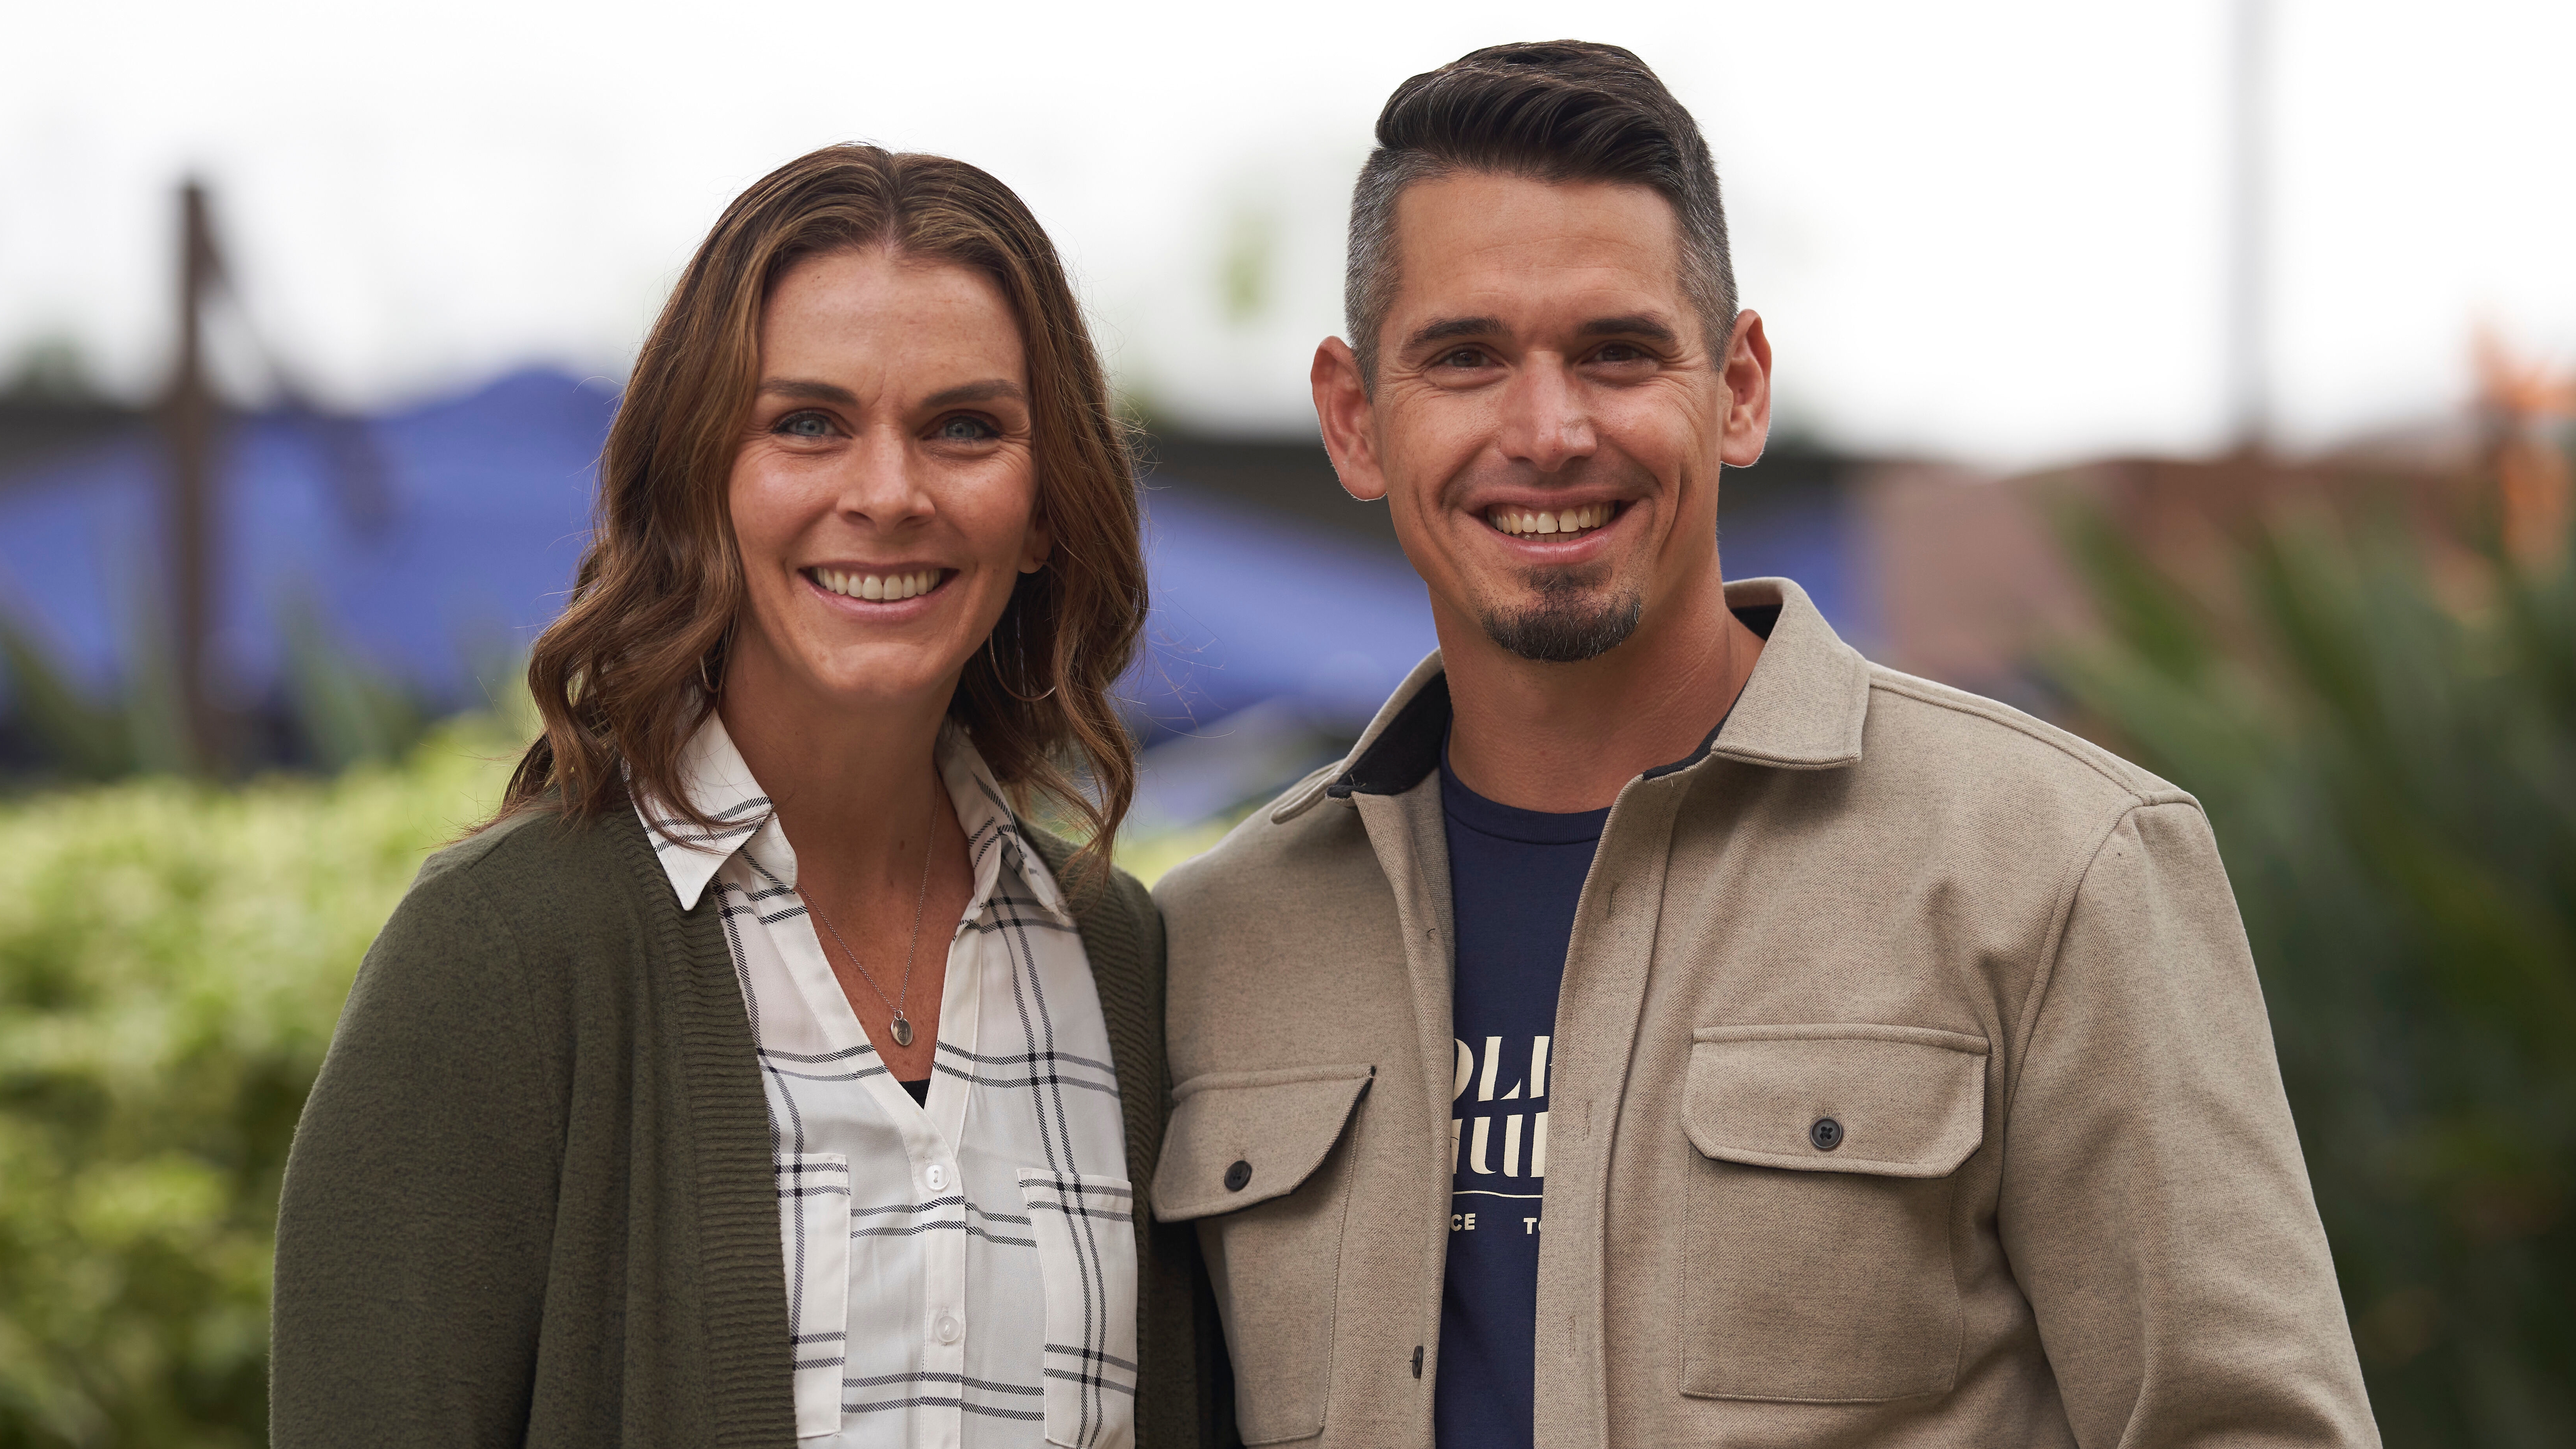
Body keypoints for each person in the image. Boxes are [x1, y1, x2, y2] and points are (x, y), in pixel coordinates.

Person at [1151, 40, 2379, 1449]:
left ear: (1736, 387)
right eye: (1467, 357)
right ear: (1355, 418)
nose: (1548, 432)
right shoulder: (1217, 943)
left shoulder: (2059, 868)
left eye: (1616, 352)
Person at [274, 144, 1221, 1449]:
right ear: (701, 479)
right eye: (807, 424)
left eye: (964, 427)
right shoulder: (499, 956)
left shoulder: (1123, 964)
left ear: (1046, 503)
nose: (887, 494)